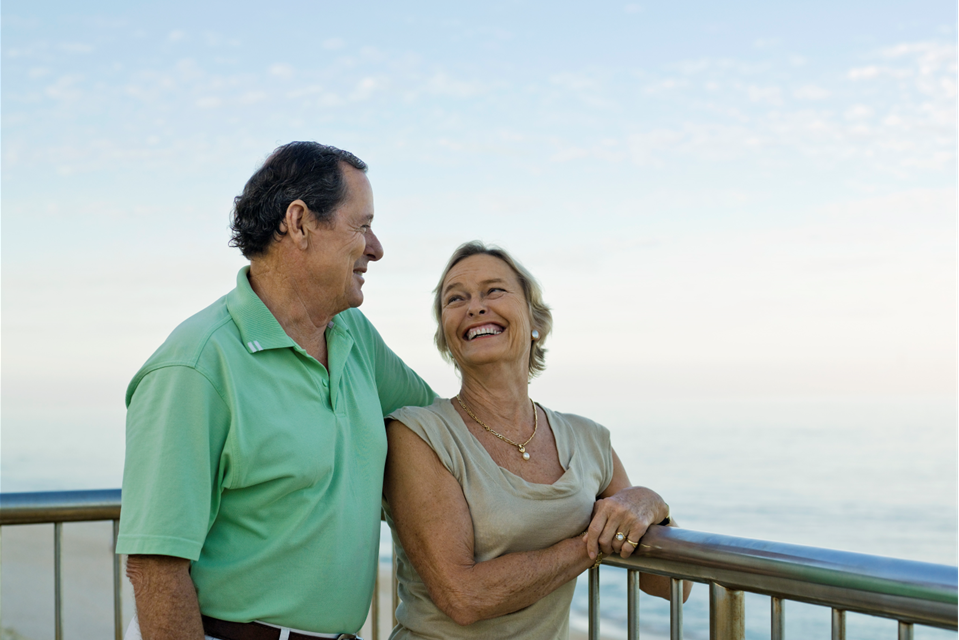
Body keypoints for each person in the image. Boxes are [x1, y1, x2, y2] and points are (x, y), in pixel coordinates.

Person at [116, 142, 435, 640]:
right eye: (362, 224)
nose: (376, 247)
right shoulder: (196, 366)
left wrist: (587, 471)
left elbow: (445, 428)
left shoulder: (354, 335)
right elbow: (155, 569)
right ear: (300, 221)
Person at [383, 241, 692, 638]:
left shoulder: (589, 439)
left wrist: (650, 503)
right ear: (447, 336)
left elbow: (670, 585)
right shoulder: (417, 434)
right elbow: (463, 597)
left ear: (535, 322)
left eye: (494, 290)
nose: (475, 306)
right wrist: (590, 543)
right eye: (455, 298)